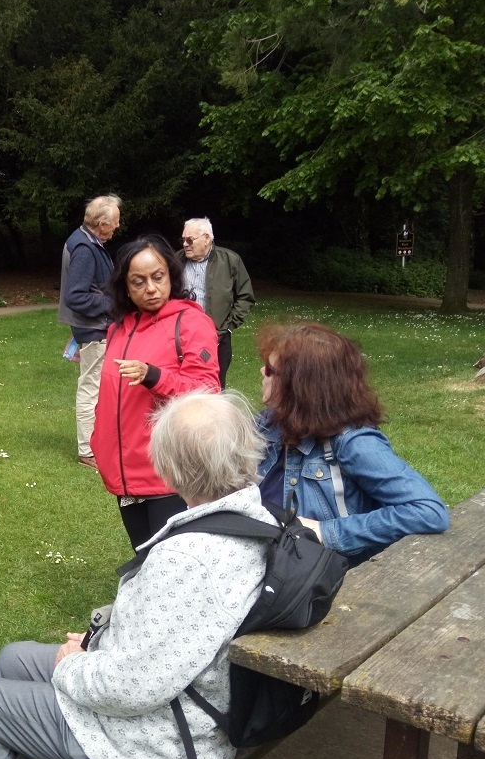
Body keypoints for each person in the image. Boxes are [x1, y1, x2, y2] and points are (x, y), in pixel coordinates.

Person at [0, 390, 276, 759]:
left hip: (169, 742)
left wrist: (75, 664)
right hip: (200, 708)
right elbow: (177, 635)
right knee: (14, 660)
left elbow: (132, 687)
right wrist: (100, 642)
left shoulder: (187, 558)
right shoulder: (253, 520)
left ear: (167, 469)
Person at [256, 321, 450, 566]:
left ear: (299, 386)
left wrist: (326, 532)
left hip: (318, 576)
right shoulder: (270, 422)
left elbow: (428, 511)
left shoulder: (354, 443)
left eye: (270, 369)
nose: (262, 372)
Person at [91, 234, 220, 552]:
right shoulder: (119, 328)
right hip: (126, 475)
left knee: (173, 563)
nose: (150, 288)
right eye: (138, 281)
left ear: (171, 276)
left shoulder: (191, 323)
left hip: (168, 475)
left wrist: (155, 376)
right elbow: (112, 397)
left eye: (158, 277)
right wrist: (100, 442)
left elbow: (207, 391)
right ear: (125, 287)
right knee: (144, 557)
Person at [58, 195, 122, 470]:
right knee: (90, 388)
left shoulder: (86, 241)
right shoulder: (85, 248)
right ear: (102, 223)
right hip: (94, 330)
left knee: (98, 387)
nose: (117, 226)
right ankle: (87, 450)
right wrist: (114, 303)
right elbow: (76, 297)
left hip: (96, 327)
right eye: (115, 221)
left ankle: (98, 442)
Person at [176, 217, 255, 388]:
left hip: (217, 338)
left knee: (215, 387)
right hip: (181, 337)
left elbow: (245, 296)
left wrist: (228, 327)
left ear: (206, 238)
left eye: (190, 240)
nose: (185, 245)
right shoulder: (176, 261)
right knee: (182, 386)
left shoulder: (230, 260)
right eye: (183, 240)